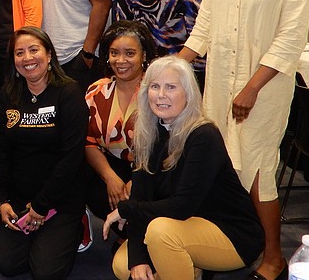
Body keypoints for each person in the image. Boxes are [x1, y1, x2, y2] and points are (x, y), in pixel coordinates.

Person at [180, 0, 309, 280]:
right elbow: (206, 23)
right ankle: (225, 244)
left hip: (264, 91)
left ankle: (273, 256)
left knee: (257, 170)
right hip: (220, 85)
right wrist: (177, 64)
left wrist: (252, 88)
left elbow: (290, 38)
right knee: (218, 165)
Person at [103, 56, 264, 280]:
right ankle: (189, 266)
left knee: (160, 232)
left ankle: (187, 264)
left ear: (188, 94)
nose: (161, 95)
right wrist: (138, 259)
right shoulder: (148, 133)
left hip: (229, 232)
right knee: (124, 267)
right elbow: (142, 197)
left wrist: (126, 209)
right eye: (155, 86)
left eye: (171, 87)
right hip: (181, 225)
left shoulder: (203, 135)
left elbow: (181, 207)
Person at [0, 26, 88, 280]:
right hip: (19, 198)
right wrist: (2, 200)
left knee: (46, 273)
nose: (27, 58)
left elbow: (72, 157)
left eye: (34, 50)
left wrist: (42, 205)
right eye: (19, 53)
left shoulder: (69, 93)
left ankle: (78, 225)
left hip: (60, 200)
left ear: (49, 55)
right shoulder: (8, 95)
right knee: (9, 265)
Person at [84, 21, 156, 241]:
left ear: (144, 56)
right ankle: (127, 237)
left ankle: (142, 239)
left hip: (154, 170)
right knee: (85, 180)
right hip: (114, 167)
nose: (121, 61)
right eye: (114, 53)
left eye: (130, 53)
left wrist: (138, 181)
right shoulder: (96, 91)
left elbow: (171, 146)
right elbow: (89, 142)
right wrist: (110, 179)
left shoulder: (159, 89)